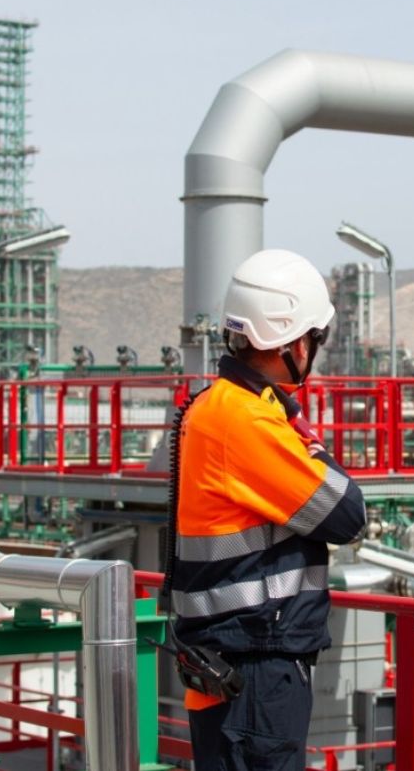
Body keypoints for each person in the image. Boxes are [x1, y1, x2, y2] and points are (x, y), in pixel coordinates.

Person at [169, 248, 367, 771]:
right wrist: (315, 450)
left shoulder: (222, 406)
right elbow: (347, 513)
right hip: (255, 664)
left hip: (234, 659)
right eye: (314, 339)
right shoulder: (248, 422)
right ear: (294, 340)